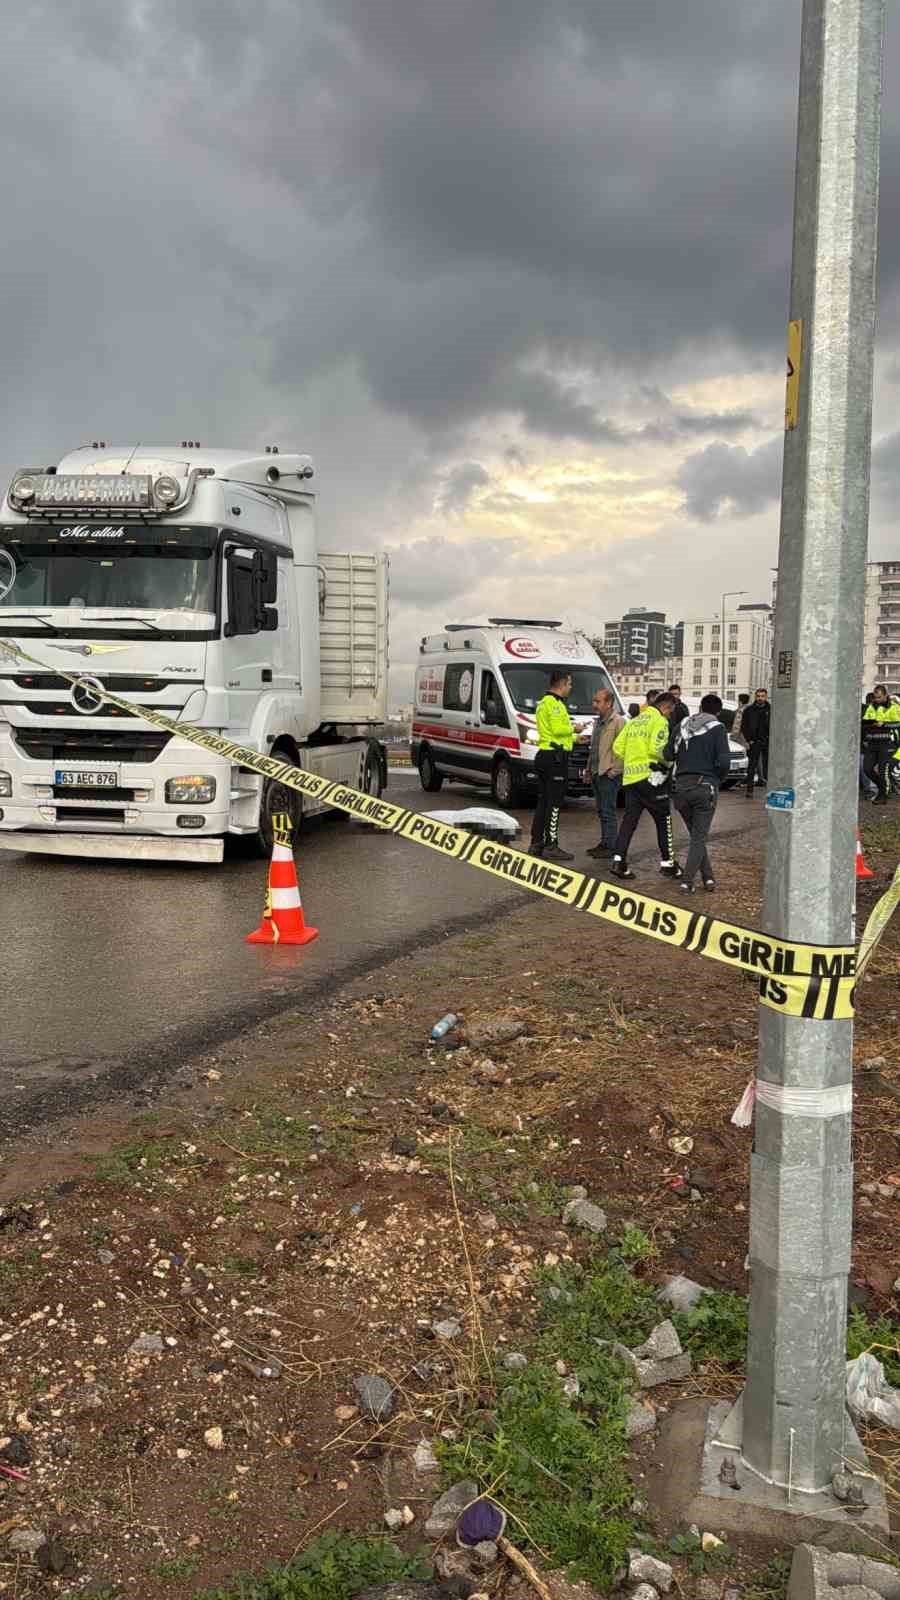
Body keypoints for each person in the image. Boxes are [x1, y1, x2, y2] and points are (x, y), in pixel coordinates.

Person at [608, 691, 680, 879]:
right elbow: (657, 749)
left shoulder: (635, 721)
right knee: (663, 820)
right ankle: (668, 863)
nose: (670, 715)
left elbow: (617, 747)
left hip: (631, 779)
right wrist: (669, 763)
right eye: (670, 711)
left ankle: (618, 861)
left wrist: (632, 760)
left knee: (629, 822)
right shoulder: (660, 721)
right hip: (651, 778)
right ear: (667, 707)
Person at [669, 693, 731, 894]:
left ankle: (709, 878)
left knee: (697, 836)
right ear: (718, 712)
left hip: (680, 790)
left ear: (701, 708)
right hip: (705, 787)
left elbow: (667, 754)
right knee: (698, 838)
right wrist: (717, 779)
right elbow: (724, 762)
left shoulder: (683, 726)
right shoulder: (718, 728)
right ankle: (687, 882)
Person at [528, 669, 576, 860]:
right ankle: (551, 844)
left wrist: (573, 737)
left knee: (543, 802)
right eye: (570, 684)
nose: (570, 687)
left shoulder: (543, 702)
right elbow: (557, 729)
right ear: (562, 684)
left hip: (546, 755)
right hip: (555, 758)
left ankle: (536, 842)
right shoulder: (554, 704)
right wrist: (574, 728)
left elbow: (552, 731)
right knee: (554, 803)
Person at [585, 687, 626, 858]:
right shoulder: (598, 722)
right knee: (601, 810)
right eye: (594, 701)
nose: (594, 704)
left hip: (608, 774)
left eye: (598, 701)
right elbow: (594, 748)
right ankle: (604, 843)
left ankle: (611, 847)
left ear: (609, 703)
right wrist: (588, 770)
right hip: (596, 772)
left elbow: (624, 749)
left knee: (608, 811)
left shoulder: (618, 721)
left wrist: (615, 770)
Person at [862, 684, 900, 804]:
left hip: (887, 743)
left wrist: (884, 724)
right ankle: (883, 788)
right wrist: (869, 724)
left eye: (879, 697)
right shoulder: (871, 707)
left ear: (885, 695)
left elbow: (898, 724)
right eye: (875, 697)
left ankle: (883, 796)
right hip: (872, 742)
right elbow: (865, 722)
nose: (876, 699)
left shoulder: (894, 707)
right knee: (867, 769)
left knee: (884, 770)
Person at [742, 688, 771, 796]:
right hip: (754, 741)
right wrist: (749, 740)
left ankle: (770, 790)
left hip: (767, 741)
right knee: (752, 766)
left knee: (768, 765)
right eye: (758, 696)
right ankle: (750, 790)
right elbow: (744, 726)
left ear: (766, 697)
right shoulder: (749, 710)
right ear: (755, 697)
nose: (760, 698)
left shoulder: (771, 709)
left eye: (762, 696)